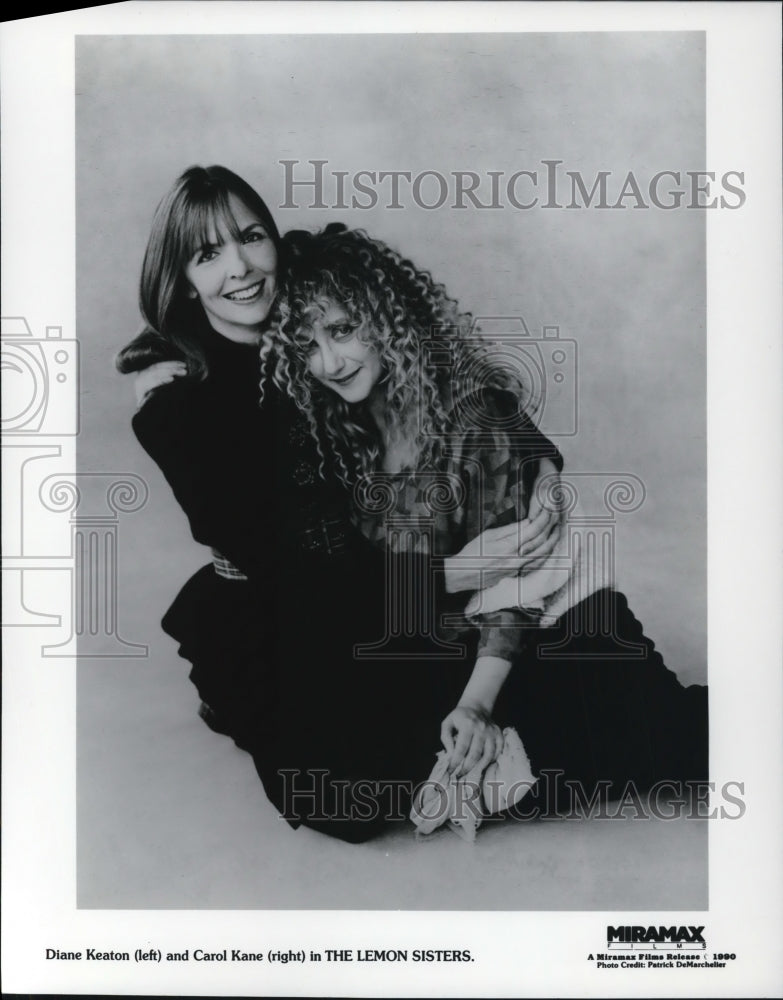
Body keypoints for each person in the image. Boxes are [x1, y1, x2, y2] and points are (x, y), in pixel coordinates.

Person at [117, 165, 563, 842]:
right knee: (345, 802)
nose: (239, 268)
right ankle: (242, 702)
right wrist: (452, 575)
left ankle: (494, 745)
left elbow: (427, 357)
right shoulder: (179, 405)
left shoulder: (300, 293)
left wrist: (533, 458)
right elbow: (284, 567)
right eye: (207, 255)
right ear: (181, 279)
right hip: (280, 608)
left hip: (375, 579)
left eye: (251, 236)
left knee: (495, 675)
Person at [265, 223, 709, 828]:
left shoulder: (470, 420)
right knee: (331, 781)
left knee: (697, 746)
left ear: (391, 322)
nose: (329, 362)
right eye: (306, 346)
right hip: (441, 643)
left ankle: (534, 744)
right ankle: (503, 758)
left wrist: (475, 705)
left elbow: (515, 581)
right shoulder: (339, 432)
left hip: (532, 634)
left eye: (342, 330)